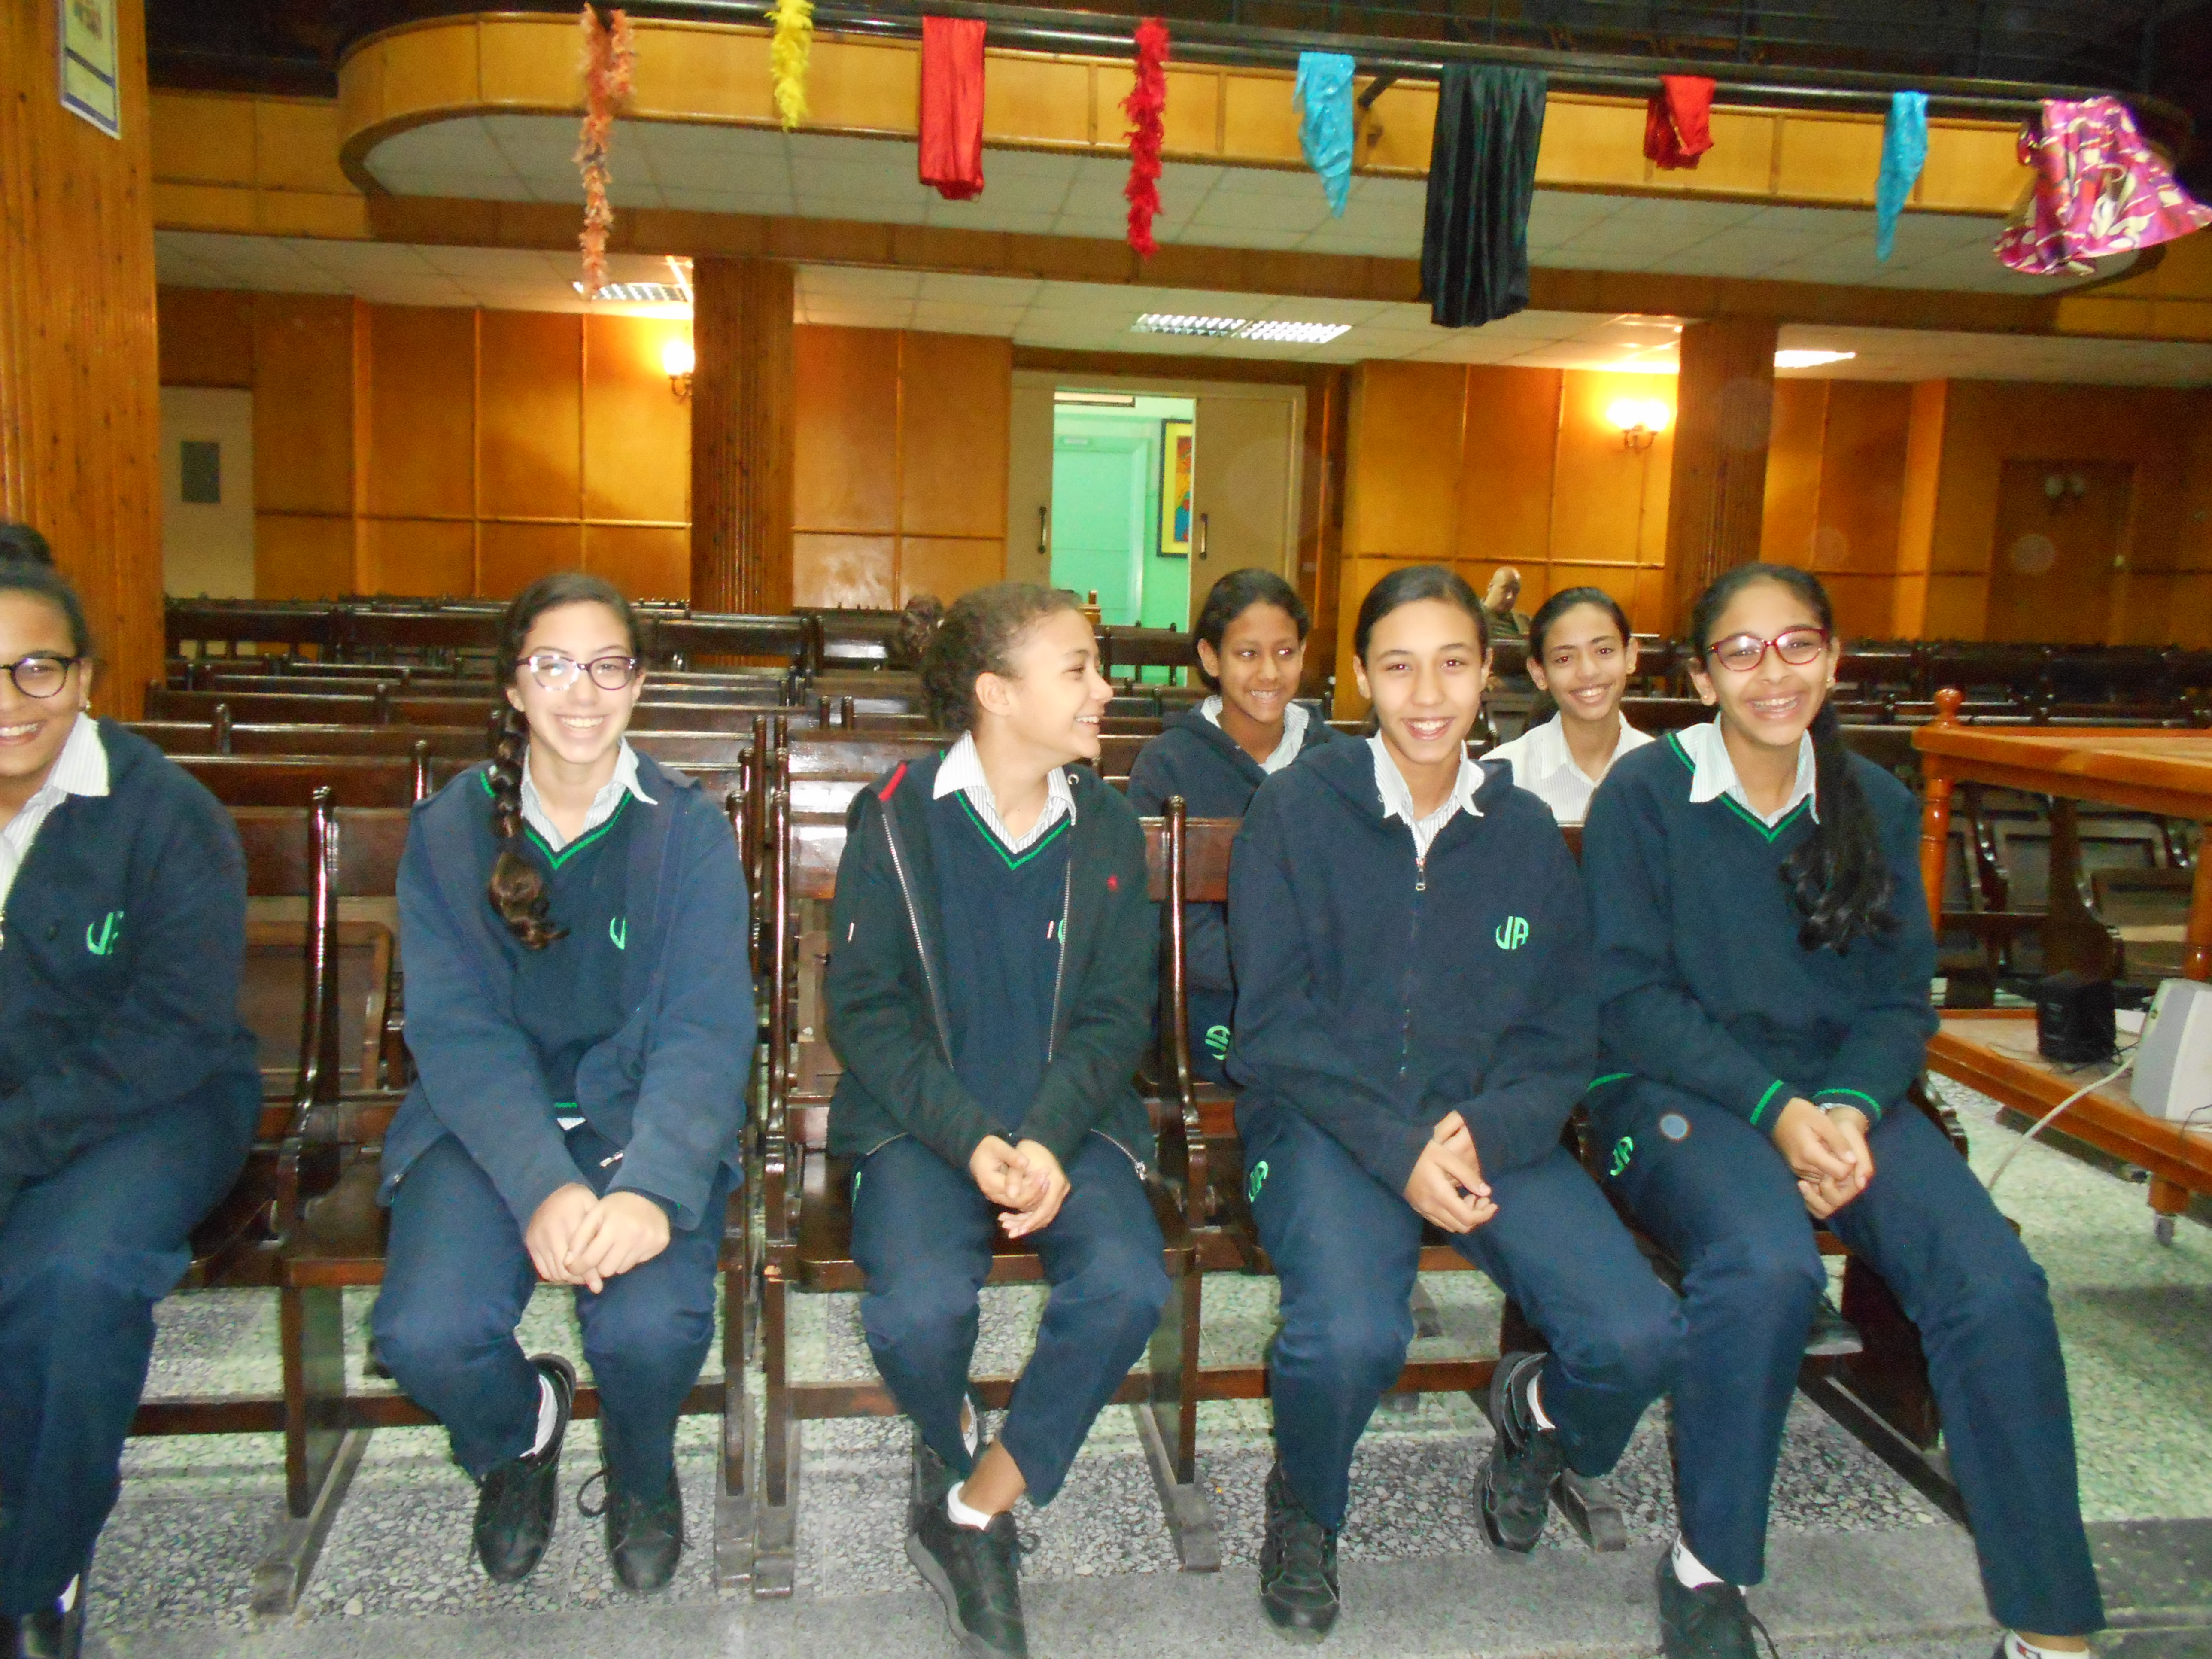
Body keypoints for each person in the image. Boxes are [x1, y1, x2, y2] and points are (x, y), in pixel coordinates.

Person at [1581, 562, 2100, 1659]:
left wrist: (1852, 1112)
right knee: (1766, 1266)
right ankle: (1708, 1565)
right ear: (1701, 676)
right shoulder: (1645, 794)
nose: (1771, 673)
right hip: (1673, 1091)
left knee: (1993, 1282)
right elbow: (1627, 999)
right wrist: (1777, 1112)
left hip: (1841, 1099)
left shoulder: (1873, 799)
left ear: (1833, 659)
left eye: (1797, 645)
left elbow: (1897, 1000)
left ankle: (2048, 1620)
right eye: (1740, 651)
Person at [1227, 564, 1682, 1643]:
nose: (1426, 695)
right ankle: (1306, 1503)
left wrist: (1491, 1125)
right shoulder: (1296, 810)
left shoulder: (1521, 832)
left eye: (1451, 665)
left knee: (1637, 1335)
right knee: (1348, 1336)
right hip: (1331, 1124)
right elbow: (1274, 1028)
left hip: (1486, 1129)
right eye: (1398, 667)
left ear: (1487, 676)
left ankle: (1539, 1420)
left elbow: (1561, 1035)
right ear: (1359, 678)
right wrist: (1397, 1151)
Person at [371, 571, 750, 1595]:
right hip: (487, 1126)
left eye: (608, 666)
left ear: (638, 683)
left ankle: (639, 1460)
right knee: (424, 1335)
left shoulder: (686, 830)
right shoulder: (449, 831)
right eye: (552, 666)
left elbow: (705, 1030)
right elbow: (457, 1035)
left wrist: (652, 1189)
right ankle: (517, 1432)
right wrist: (542, 1182)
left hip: (639, 1125)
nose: (582, 692)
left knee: (652, 1327)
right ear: (513, 685)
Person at [826, 582, 1170, 1659]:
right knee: (917, 1313)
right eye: (1078, 669)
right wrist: (971, 1138)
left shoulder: (1106, 823)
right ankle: (950, 1431)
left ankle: (977, 1504)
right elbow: (865, 1011)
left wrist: (1048, 1137)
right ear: (996, 692)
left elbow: (1118, 1014)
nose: (1104, 688)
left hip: (1070, 1121)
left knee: (1127, 1284)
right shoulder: (895, 816)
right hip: (925, 1122)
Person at [0, 560, 260, 1659]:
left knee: (71, 1276)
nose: (11, 700)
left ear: (84, 678)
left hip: (157, 1103)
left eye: (36, 668)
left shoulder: (164, 813)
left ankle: (36, 1572)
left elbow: (175, 1028)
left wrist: (16, 1143)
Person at [1126, 568, 1340, 1079]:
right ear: (1209, 657)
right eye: (1247, 654)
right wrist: (1280, 969)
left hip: (1328, 1002)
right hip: (1208, 1002)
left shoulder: (1340, 762)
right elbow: (1159, 924)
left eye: (1285, 652)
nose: (1269, 672)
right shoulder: (1167, 764)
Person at [1484, 587, 1651, 826]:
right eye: (1564, 659)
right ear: (1539, 673)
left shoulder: (1668, 773)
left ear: (1631, 656)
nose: (1588, 671)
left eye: (1604, 651)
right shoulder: (1502, 776)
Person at [1481, 566, 1530, 641]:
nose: (1510, 597)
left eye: (1515, 592)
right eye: (1506, 590)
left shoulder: (1524, 621)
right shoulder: (1472, 618)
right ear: (1490, 587)